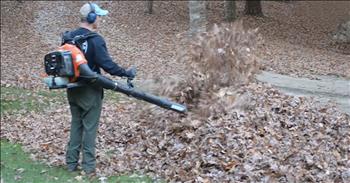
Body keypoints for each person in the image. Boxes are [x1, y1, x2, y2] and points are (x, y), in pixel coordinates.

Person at [64, 2, 136, 174]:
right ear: (91, 17)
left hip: (72, 88)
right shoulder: (95, 40)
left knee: (76, 124)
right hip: (90, 89)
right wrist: (126, 73)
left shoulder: (68, 38)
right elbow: (107, 65)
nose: (100, 19)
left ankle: (71, 163)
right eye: (98, 16)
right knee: (89, 128)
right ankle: (88, 167)